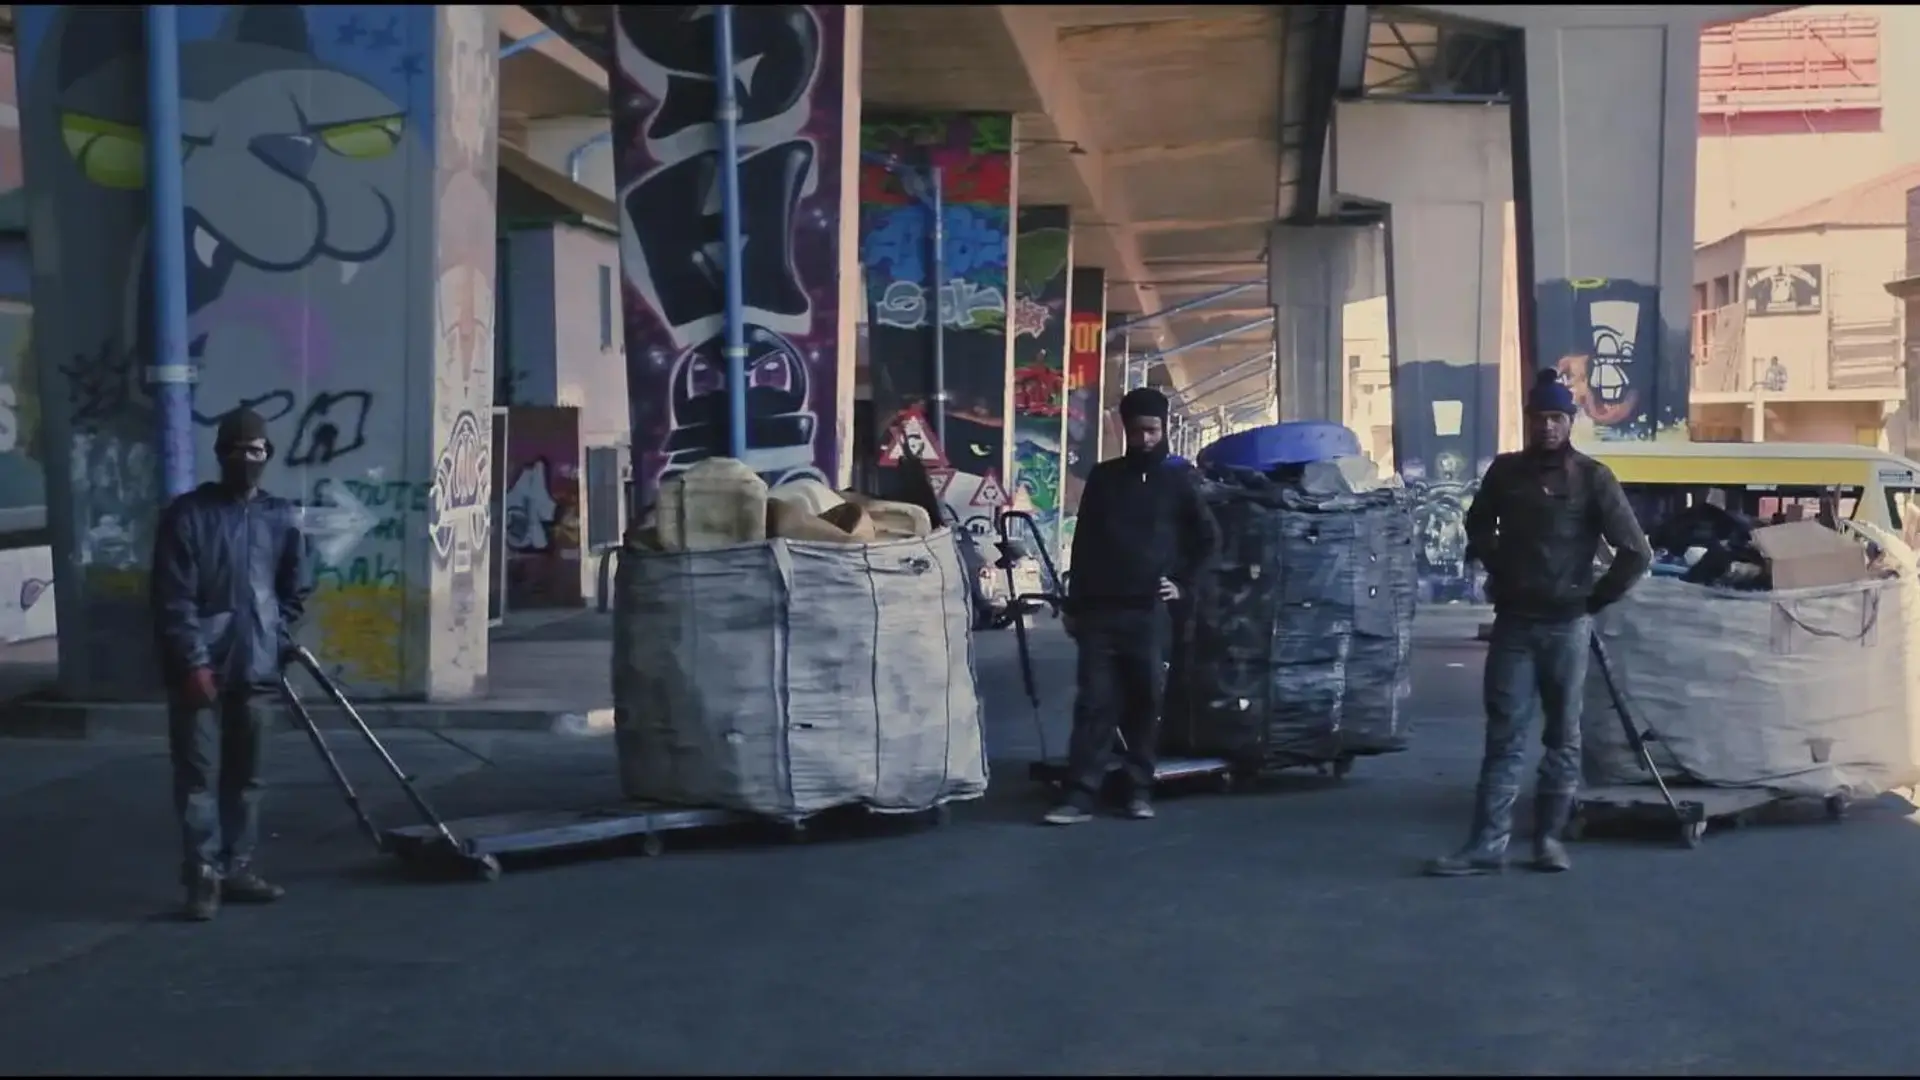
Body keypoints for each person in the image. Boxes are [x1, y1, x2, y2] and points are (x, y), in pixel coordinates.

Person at [1426, 370, 1652, 876]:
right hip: (1515, 625)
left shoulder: (1594, 479)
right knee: (1504, 736)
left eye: (1557, 418)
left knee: (1562, 738)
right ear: (1528, 421)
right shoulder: (1505, 474)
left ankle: (1547, 841)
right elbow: (1477, 522)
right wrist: (1497, 562)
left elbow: (1636, 552)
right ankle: (1487, 845)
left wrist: (1595, 599)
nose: (1548, 427)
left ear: (1570, 422)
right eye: (1540, 418)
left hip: (1568, 626)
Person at [151, 409, 310, 920]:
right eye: (237, 449)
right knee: (197, 776)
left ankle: (236, 866)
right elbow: (173, 599)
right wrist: (194, 661)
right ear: (220, 454)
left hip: (257, 668)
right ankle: (202, 874)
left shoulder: (282, 517)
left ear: (268, 455)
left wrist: (274, 635)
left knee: (247, 776)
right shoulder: (188, 516)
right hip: (197, 669)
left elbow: (295, 589)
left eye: (256, 450)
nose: (246, 459)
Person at [1045, 387, 1220, 825]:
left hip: (1148, 614)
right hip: (1100, 613)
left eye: (1151, 430)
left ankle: (1139, 791)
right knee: (1095, 705)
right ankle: (1080, 796)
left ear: (1163, 431)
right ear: (1124, 429)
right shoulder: (1104, 478)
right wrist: (1073, 604)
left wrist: (1183, 585)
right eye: (1136, 430)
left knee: (1145, 702)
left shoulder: (1178, 482)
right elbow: (1084, 543)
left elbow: (1208, 539)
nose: (1143, 439)